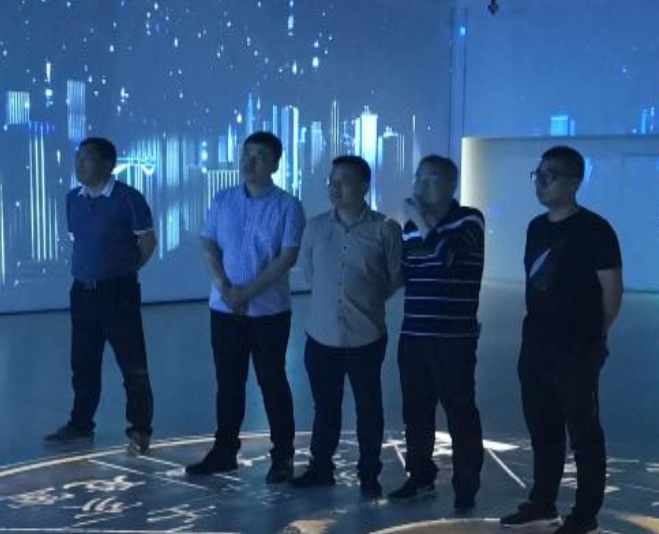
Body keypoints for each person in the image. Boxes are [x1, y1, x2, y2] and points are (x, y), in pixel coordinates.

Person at [500, 145, 622, 534]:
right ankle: (543, 502)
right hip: (536, 342)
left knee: (583, 430)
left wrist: (594, 336)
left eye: (549, 175)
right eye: (537, 174)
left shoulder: (596, 231)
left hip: (578, 347)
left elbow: (612, 291)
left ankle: (586, 513)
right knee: (542, 424)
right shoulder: (536, 228)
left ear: (573, 182)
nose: (540, 182)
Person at [187, 131, 306, 481]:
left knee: (272, 382)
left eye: (259, 156)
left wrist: (246, 293)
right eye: (246, 154)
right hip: (224, 310)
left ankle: (282, 456)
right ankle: (224, 451)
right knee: (228, 383)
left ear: (275, 164)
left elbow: (287, 258)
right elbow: (208, 244)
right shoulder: (223, 199)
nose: (249, 162)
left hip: (269, 312)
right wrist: (225, 288)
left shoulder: (288, 206)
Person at [293, 156, 403, 499]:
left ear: (364, 186)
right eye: (332, 181)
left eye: (343, 181)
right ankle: (321, 468)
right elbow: (310, 273)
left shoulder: (385, 229)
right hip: (321, 335)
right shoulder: (315, 228)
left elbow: (395, 276)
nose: (334, 187)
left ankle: (369, 473)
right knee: (325, 406)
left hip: (366, 335)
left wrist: (367, 301)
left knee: (368, 407)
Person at [44, 136, 156, 453]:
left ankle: (140, 430)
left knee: (133, 366)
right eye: (78, 158)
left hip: (118, 292)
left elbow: (147, 243)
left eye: (87, 158)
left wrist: (123, 270)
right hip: (82, 292)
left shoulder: (128, 198)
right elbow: (78, 240)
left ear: (108, 164)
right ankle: (81, 425)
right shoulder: (73, 199)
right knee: (83, 364)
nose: (80, 164)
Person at [395, 154, 486, 511]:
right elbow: (407, 275)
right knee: (416, 411)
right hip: (414, 333)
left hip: (453, 338)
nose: (421, 184)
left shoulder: (469, 219)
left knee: (460, 411)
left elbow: (448, 257)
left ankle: (466, 485)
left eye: (431, 179)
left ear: (451, 185)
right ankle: (419, 475)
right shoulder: (409, 229)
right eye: (418, 177)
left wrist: (418, 217)